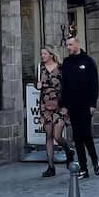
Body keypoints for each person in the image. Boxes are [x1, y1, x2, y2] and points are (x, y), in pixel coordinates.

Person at [59, 35, 99, 177]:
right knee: (77, 137)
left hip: (85, 105)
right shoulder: (66, 63)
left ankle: (95, 160)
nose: (68, 48)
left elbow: (94, 84)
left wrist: (92, 104)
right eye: (67, 45)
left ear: (77, 44)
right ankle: (83, 168)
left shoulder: (88, 61)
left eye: (70, 45)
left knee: (86, 135)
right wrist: (63, 105)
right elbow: (64, 86)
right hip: (72, 105)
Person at [36, 46, 72, 177]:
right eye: (41, 54)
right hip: (45, 106)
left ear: (51, 55)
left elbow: (67, 86)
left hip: (59, 105)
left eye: (44, 53)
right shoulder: (40, 68)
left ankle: (68, 150)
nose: (42, 56)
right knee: (49, 136)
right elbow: (39, 84)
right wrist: (38, 85)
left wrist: (67, 105)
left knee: (57, 135)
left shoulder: (61, 68)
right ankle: (51, 167)